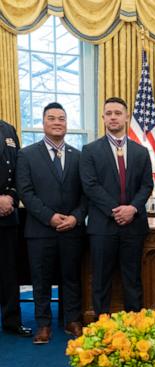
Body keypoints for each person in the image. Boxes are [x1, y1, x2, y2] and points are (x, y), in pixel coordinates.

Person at [16, 103, 87, 344]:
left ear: (66, 124)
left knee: (71, 277)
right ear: (43, 123)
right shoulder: (26, 155)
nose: (57, 122)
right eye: (52, 118)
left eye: (61, 119)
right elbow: (25, 192)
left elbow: (86, 194)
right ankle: (43, 325)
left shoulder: (79, 156)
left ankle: (72, 320)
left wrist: (76, 217)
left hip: (72, 228)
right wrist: (50, 217)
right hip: (40, 229)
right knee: (41, 279)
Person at [80, 97, 153, 318]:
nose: (113, 117)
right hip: (103, 226)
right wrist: (116, 210)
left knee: (132, 279)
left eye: (118, 113)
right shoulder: (90, 150)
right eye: (109, 113)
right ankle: (102, 325)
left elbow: (147, 185)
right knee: (101, 278)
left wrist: (132, 209)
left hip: (134, 225)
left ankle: (135, 325)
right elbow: (90, 185)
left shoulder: (141, 151)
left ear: (126, 117)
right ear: (103, 118)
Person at [0, 120, 32, 337]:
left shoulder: (8, 129)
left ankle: (12, 321)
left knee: (9, 272)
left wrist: (10, 197)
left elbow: (18, 171)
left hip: (7, 214)